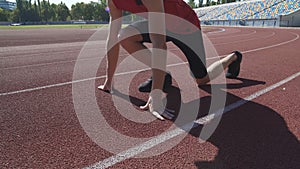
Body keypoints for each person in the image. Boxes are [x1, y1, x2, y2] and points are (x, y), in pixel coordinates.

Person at [98, 0, 242, 120]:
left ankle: (234, 57)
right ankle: (164, 75)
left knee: (201, 80)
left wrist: (156, 93)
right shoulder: (113, 1)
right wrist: (109, 81)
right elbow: (112, 39)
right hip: (161, 21)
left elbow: (159, 43)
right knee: (124, 36)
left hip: (186, 27)